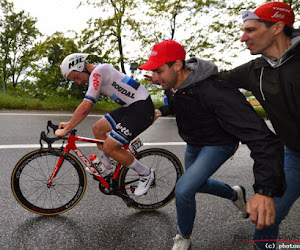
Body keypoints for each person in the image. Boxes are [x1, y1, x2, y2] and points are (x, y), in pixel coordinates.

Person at [139, 40, 285, 250]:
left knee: (184, 189)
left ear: (178, 65)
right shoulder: (175, 85)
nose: (155, 77)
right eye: (153, 71)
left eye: (159, 71)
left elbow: (259, 135)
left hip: (218, 144)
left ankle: (184, 237)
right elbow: (180, 101)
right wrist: (162, 110)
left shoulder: (214, 89)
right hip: (194, 142)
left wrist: (266, 187)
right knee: (196, 184)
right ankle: (235, 194)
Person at [219, 2, 300, 249]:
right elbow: (214, 83)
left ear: (276, 28)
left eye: (250, 30)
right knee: (266, 217)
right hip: (294, 154)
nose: (243, 38)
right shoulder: (256, 69)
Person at [57, 53, 155, 196]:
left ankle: (146, 174)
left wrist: (67, 128)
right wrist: (69, 123)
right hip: (131, 107)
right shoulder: (97, 74)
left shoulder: (98, 72)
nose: (78, 82)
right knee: (98, 128)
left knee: (110, 147)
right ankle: (107, 167)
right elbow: (86, 105)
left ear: (81, 67)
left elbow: (86, 106)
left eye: (76, 77)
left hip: (141, 109)